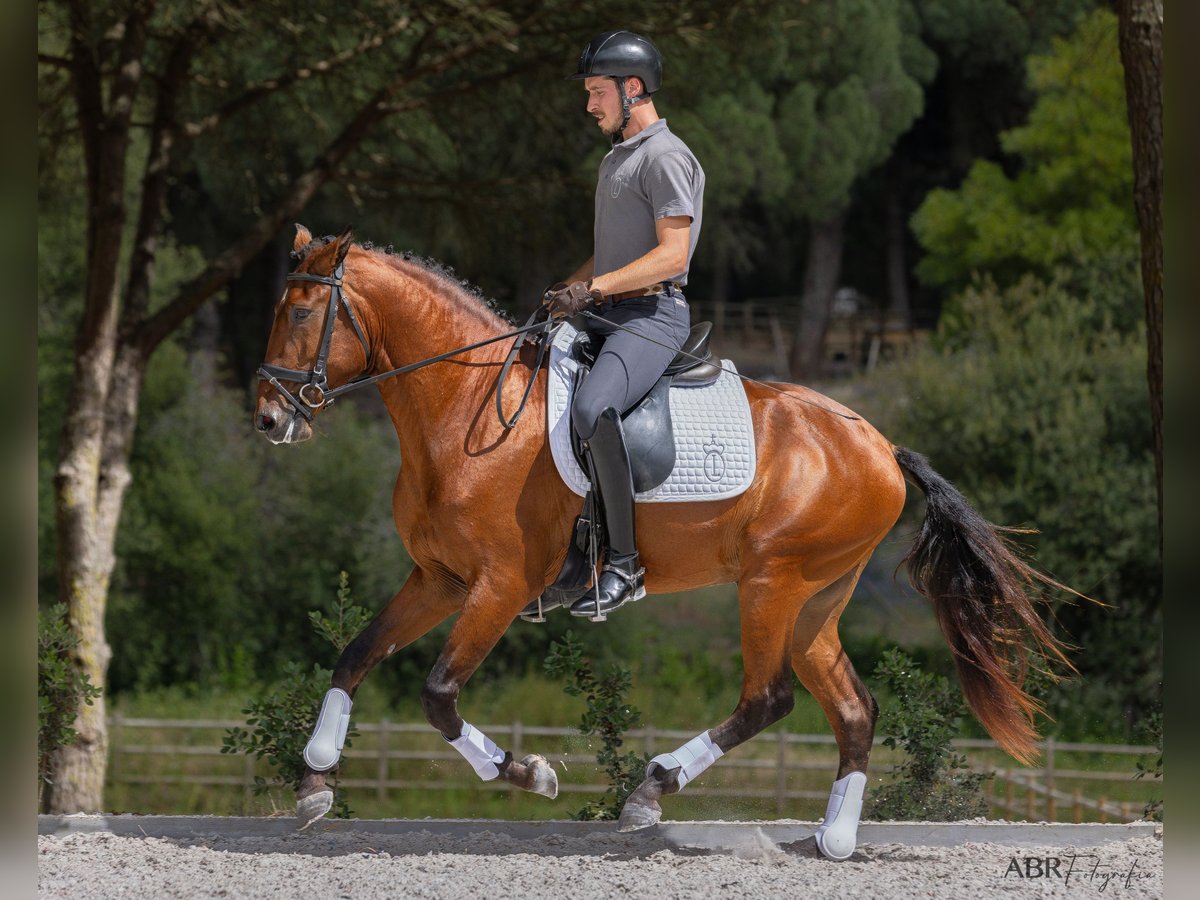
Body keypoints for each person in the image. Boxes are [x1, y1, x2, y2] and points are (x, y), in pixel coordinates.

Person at [522, 30, 705, 622]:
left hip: (653, 316)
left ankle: (624, 564)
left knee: (591, 408)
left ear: (632, 89)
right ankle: (574, 559)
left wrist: (594, 289)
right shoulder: (618, 158)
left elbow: (672, 256)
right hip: (607, 311)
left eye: (597, 92)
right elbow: (607, 261)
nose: (589, 105)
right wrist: (567, 290)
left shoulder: (667, 156)